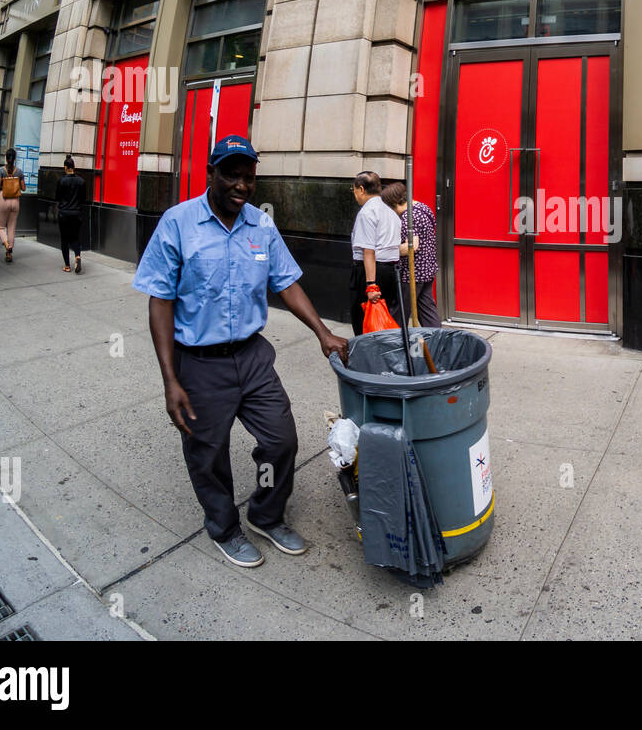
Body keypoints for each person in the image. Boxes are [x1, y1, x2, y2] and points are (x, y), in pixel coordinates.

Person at [133, 136, 349, 568]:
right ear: (211, 173)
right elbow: (160, 299)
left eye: (248, 177)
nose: (241, 185)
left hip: (252, 358)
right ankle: (224, 528)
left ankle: (266, 515)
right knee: (207, 454)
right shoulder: (178, 223)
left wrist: (322, 333)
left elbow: (285, 281)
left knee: (281, 440)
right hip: (198, 363)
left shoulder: (261, 226)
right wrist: (170, 379)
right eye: (231, 174)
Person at [380, 182, 442, 328]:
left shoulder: (409, 216)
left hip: (413, 273)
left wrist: (386, 251)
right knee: (427, 310)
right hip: (427, 269)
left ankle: (395, 343)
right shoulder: (422, 207)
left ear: (394, 203)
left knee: (400, 312)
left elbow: (411, 246)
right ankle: (439, 341)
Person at [349, 171, 403, 335]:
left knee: (363, 323)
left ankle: (368, 358)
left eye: (354, 191)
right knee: (382, 323)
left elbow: (369, 251)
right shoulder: (390, 211)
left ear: (361, 189)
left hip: (371, 273)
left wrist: (371, 285)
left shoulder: (367, 212)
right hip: (390, 272)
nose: (355, 195)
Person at [0, 148, 26, 263]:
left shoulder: (1, 170)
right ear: (15, 158)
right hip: (15, 201)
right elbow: (23, 188)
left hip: (3, 198)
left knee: (0, 226)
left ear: (6, 158)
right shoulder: (19, 172)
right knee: (11, 228)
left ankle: (7, 245)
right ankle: (9, 254)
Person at [55, 155, 86, 273]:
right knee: (75, 237)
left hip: (64, 213)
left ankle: (67, 266)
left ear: (65, 167)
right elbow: (83, 199)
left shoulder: (61, 181)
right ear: (74, 167)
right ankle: (77, 256)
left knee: (64, 239)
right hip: (77, 213)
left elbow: (57, 197)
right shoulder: (81, 181)